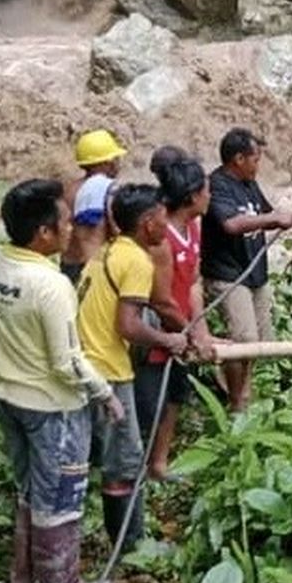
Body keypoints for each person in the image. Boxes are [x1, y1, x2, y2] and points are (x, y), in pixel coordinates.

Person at [0, 179, 123, 583]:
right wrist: (104, 394)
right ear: (43, 233)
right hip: (51, 407)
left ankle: (23, 581)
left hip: (5, 396)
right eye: (64, 221)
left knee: (29, 490)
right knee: (58, 499)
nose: (72, 227)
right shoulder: (50, 284)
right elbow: (67, 362)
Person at [77, 184, 188, 550]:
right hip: (108, 369)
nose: (164, 224)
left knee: (111, 458)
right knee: (124, 464)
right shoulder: (137, 261)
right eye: (159, 217)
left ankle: (122, 540)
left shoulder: (110, 250)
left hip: (87, 364)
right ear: (146, 223)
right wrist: (168, 340)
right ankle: (131, 549)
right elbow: (128, 325)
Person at [201, 127, 292, 412]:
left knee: (262, 340)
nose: (258, 165)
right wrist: (274, 218)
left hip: (255, 274)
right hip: (229, 274)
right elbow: (231, 224)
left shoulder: (249, 183)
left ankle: (243, 391)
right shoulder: (217, 185)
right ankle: (236, 400)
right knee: (245, 339)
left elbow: (267, 213)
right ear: (239, 158)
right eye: (256, 158)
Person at [135, 155, 215, 481]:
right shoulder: (159, 237)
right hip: (157, 327)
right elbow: (159, 299)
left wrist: (201, 330)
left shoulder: (193, 227)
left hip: (181, 327)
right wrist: (188, 332)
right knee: (149, 401)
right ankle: (134, 469)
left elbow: (194, 283)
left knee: (175, 397)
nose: (211, 196)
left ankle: (159, 464)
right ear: (192, 196)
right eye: (207, 190)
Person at [60, 129, 127, 285]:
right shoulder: (109, 189)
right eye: (116, 158)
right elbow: (118, 231)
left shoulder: (69, 190)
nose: (118, 163)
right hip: (97, 267)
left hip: (69, 266)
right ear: (107, 162)